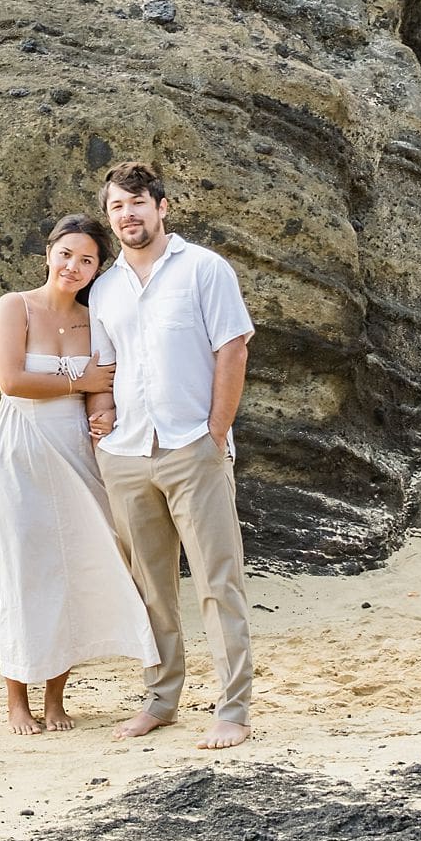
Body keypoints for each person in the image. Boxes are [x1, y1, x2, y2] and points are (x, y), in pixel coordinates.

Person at [89, 161, 255, 750]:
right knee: (150, 588)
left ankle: (233, 709)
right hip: (127, 455)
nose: (128, 214)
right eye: (117, 206)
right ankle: (161, 701)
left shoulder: (204, 269)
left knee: (217, 580)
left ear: (162, 208)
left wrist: (215, 433)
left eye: (138, 202)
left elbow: (232, 349)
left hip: (192, 448)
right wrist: (103, 424)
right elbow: (105, 367)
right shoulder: (104, 288)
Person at [0, 213, 158, 734]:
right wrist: (80, 379)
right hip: (20, 451)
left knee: (70, 572)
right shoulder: (15, 306)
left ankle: (56, 698)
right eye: (66, 255)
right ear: (49, 253)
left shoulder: (93, 318)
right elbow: (13, 380)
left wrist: (104, 413)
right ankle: (17, 701)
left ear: (97, 269)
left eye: (86, 260)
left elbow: (105, 386)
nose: (73, 267)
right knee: (23, 573)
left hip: (76, 451)